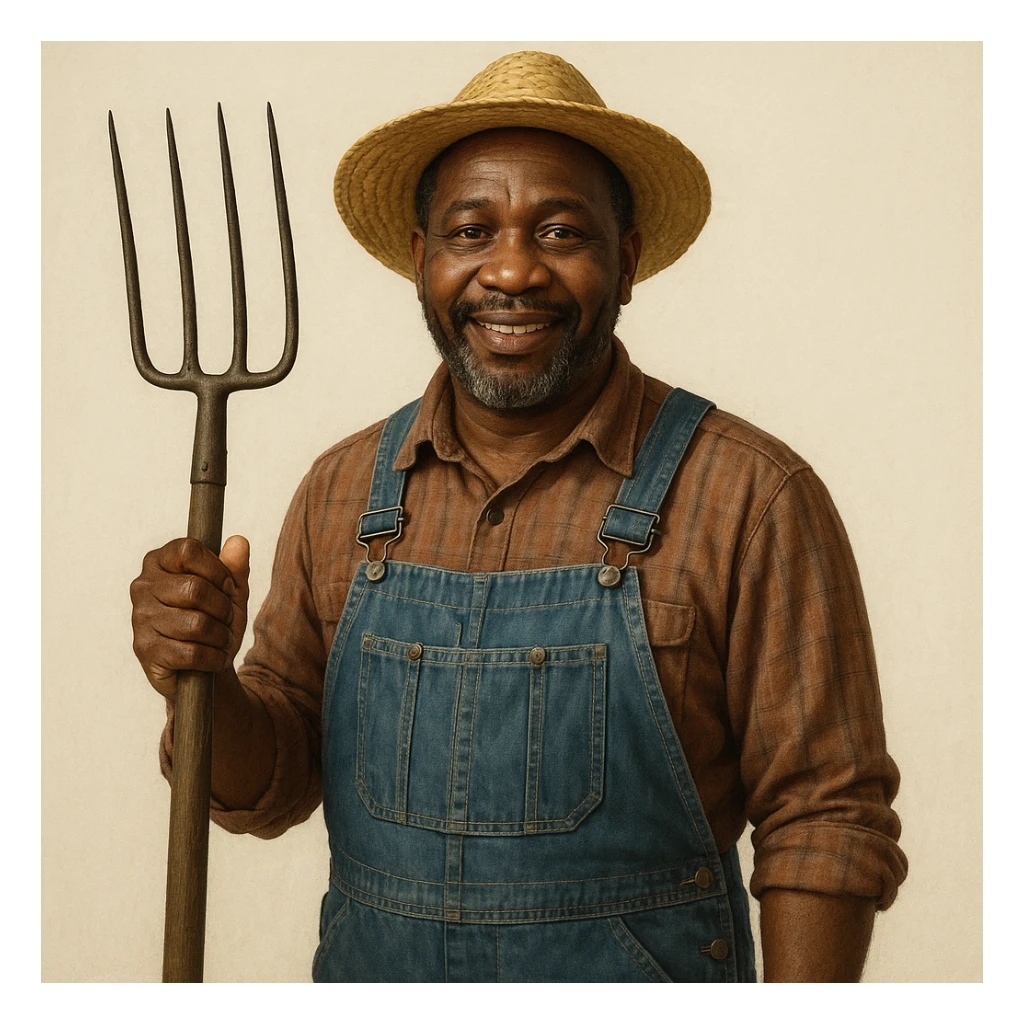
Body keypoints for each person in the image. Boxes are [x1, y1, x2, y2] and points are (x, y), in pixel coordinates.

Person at [129, 50, 908, 983]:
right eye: (470, 232)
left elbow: (827, 821)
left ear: (628, 263)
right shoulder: (343, 493)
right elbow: (267, 785)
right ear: (421, 260)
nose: (511, 270)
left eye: (563, 232)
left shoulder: (749, 496)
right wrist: (200, 681)